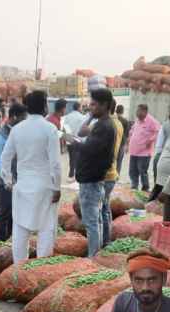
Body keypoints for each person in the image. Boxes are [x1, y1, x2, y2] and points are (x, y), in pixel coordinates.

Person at [0, 91, 62, 262]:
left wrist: (8, 180)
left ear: (27, 107)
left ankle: (19, 271)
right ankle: (41, 269)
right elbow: (55, 163)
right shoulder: (50, 129)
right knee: (46, 230)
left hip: (22, 186)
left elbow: (5, 157)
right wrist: (57, 187)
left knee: (20, 230)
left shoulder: (17, 129)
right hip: (45, 187)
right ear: (44, 106)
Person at [74, 88, 116, 256]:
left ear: (105, 105)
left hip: (92, 180)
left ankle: (93, 257)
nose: (90, 108)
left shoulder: (104, 126)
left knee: (92, 222)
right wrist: (91, 116)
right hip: (93, 178)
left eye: (93, 104)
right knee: (96, 219)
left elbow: (89, 149)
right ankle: (96, 254)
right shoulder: (101, 124)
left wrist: (74, 142)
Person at [0, 102, 27, 241]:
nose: (24, 121)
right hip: (6, 181)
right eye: (23, 118)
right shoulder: (3, 134)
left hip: (18, 179)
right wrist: (7, 178)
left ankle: (12, 237)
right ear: (14, 117)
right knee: (4, 211)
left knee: (15, 210)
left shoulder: (17, 131)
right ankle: (1, 237)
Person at [101, 99, 124, 246]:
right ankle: (107, 238)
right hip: (111, 172)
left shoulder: (109, 125)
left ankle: (104, 241)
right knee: (105, 207)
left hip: (105, 174)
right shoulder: (118, 123)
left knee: (101, 210)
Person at [127, 104, 161, 192]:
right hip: (134, 151)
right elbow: (132, 130)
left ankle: (145, 188)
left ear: (145, 111)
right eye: (137, 111)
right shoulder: (138, 120)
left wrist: (151, 140)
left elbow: (158, 131)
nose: (137, 113)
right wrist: (128, 141)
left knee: (142, 171)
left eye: (139, 111)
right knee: (132, 170)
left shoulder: (151, 121)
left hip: (144, 153)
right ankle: (134, 186)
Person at [63, 101, 85, 180]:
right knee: (79, 158)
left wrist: (66, 140)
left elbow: (65, 128)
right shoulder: (82, 117)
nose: (82, 108)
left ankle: (71, 175)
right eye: (81, 107)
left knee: (71, 158)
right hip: (78, 140)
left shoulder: (67, 116)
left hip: (70, 139)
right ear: (79, 108)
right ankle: (76, 175)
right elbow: (83, 129)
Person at [115, 104, 131, 178]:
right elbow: (127, 135)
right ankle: (117, 176)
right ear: (123, 111)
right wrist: (127, 146)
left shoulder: (113, 119)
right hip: (121, 144)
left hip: (113, 143)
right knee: (119, 161)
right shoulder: (125, 121)